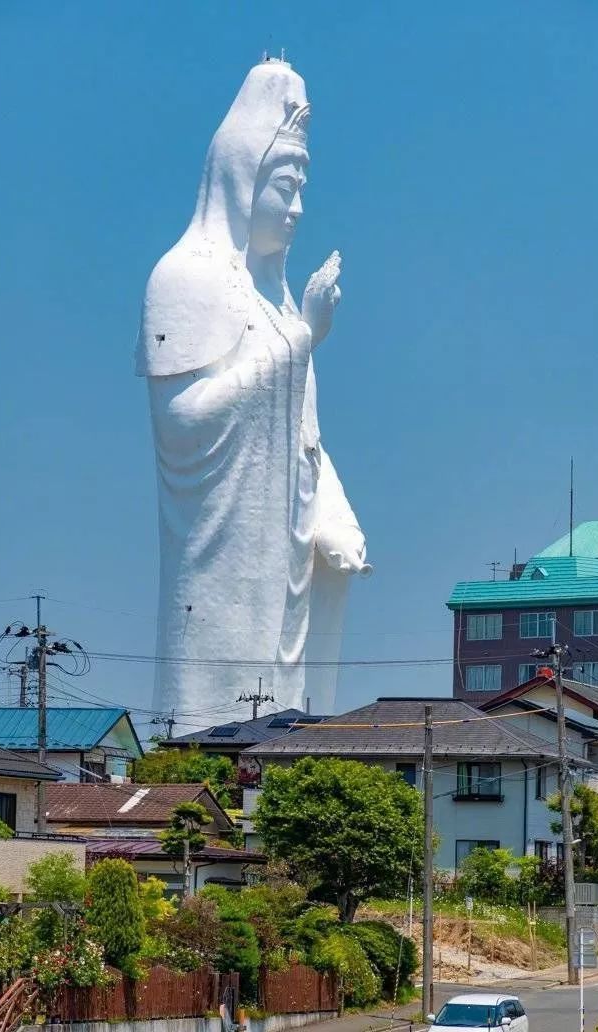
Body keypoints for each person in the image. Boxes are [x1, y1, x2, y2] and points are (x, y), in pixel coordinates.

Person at [136, 59, 368, 727]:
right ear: (242, 178)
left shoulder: (276, 296)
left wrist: (334, 514)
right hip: (221, 570)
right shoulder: (185, 277)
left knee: (283, 723)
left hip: (286, 561)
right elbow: (181, 424)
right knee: (220, 724)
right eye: (283, 187)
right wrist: (302, 340)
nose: (295, 210)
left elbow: (303, 437)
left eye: (301, 190)